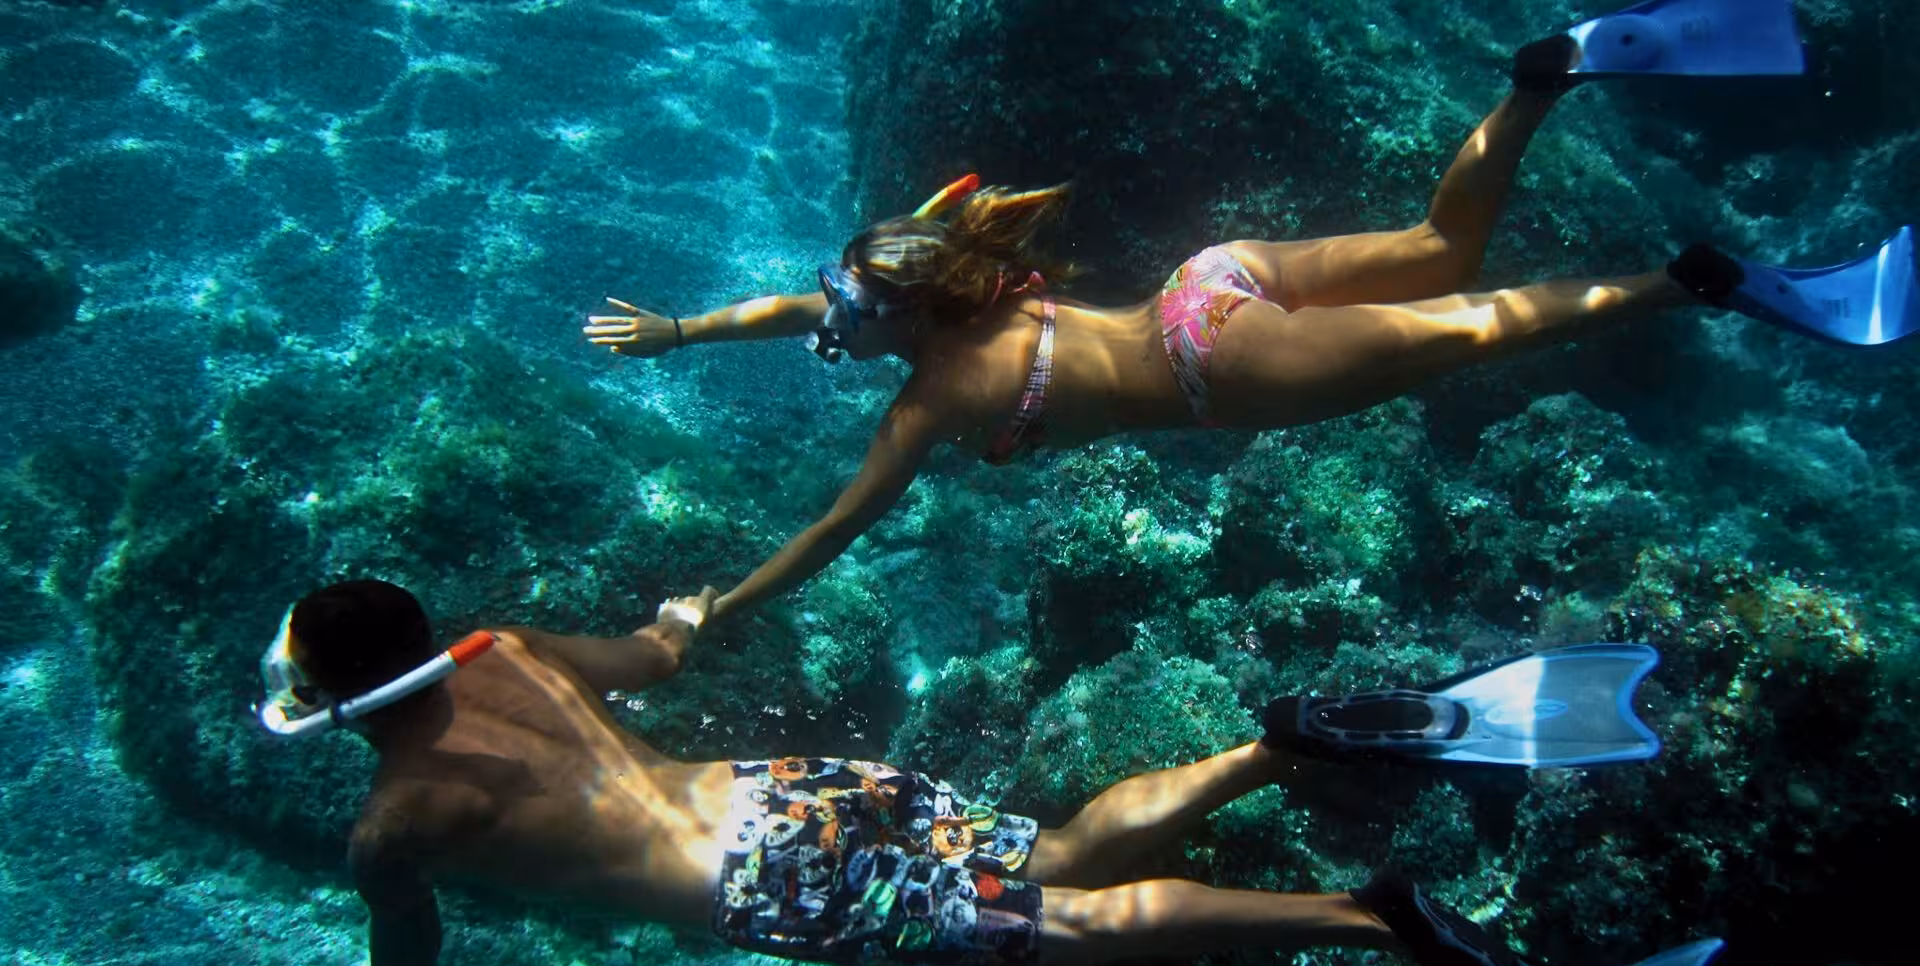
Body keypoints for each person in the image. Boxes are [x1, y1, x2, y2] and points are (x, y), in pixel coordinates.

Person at [584, 1, 1915, 626]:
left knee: (1490, 323)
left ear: (893, 316)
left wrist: (718, 607)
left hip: (1228, 369)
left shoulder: (930, 403)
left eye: (840, 313)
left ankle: (1696, 282)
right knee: (1440, 245)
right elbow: (801, 300)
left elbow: (828, 532)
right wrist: (688, 333)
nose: (826, 326)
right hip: (1208, 280)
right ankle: (1544, 74)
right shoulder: (954, 280)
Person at [256, 580, 1725, 966]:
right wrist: (670, 619)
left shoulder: (392, 827)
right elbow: (654, 660)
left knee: (1061, 933)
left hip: (760, 885)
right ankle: (1278, 745)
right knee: (1060, 853)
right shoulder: (506, 649)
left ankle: (1374, 920)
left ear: (332, 699)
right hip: (794, 787)